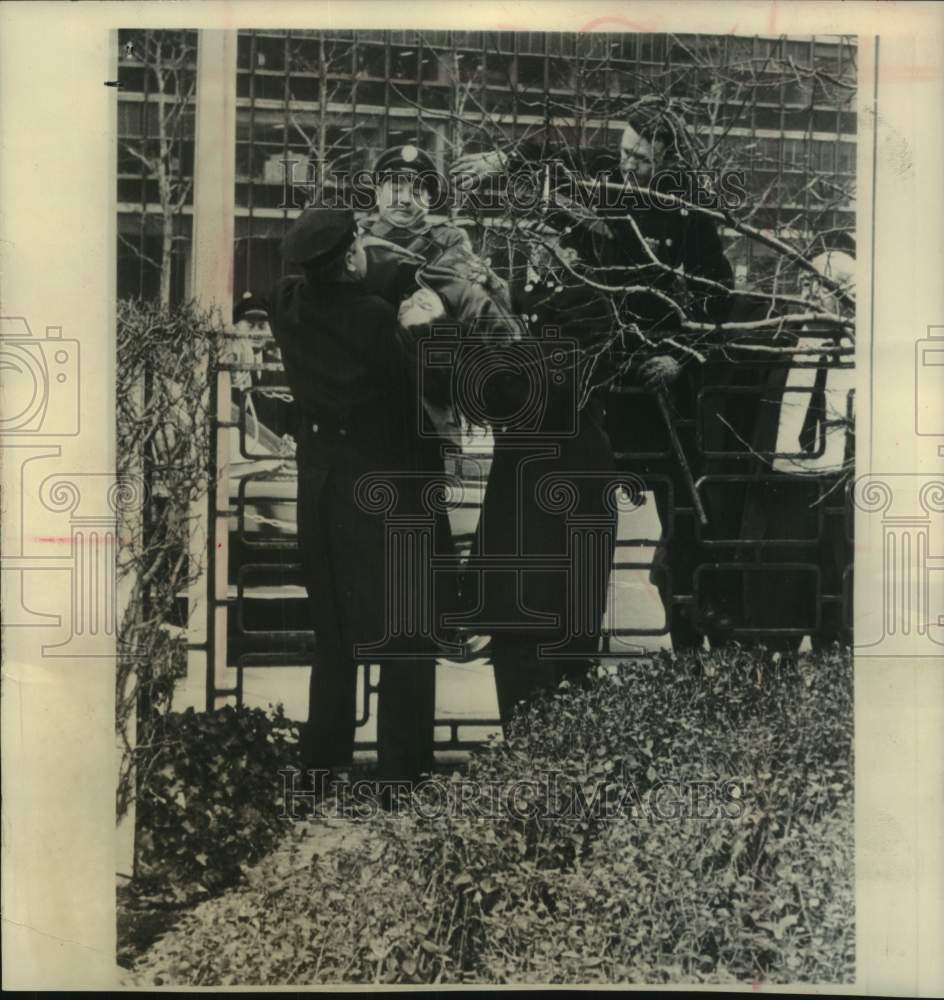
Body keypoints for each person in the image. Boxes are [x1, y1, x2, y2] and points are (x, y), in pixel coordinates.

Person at [452, 112, 735, 651]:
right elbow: (552, 150)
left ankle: (692, 641)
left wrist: (682, 355)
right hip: (595, 374)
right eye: (626, 152)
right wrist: (502, 159)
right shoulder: (606, 170)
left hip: (655, 382)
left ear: (669, 160)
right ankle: (539, 622)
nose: (628, 166)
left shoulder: (689, 209)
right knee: (571, 504)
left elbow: (716, 293)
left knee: (682, 517)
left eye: (643, 160)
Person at [269, 207, 447, 785]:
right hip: (388, 496)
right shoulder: (376, 319)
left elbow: (301, 284)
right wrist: (426, 327)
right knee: (406, 634)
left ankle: (324, 765)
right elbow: (417, 391)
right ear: (350, 256)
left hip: (324, 495)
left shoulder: (288, 308)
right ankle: (402, 775)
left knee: (336, 635)